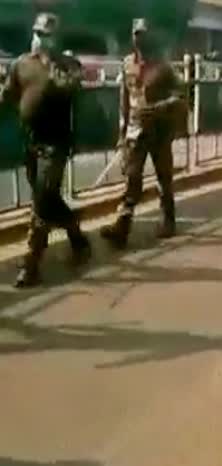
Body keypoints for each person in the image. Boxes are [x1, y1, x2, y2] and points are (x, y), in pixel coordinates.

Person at [0, 13, 91, 287]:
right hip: (31, 141)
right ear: (33, 33)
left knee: (43, 198)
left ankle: (32, 262)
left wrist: (52, 65)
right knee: (47, 198)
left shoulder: (67, 64)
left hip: (57, 142)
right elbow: (8, 96)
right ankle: (76, 233)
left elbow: (71, 89)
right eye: (39, 33)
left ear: (56, 38)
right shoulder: (20, 64)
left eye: (48, 35)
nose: (42, 39)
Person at [100, 18, 185, 249]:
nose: (140, 40)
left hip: (160, 130)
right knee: (132, 178)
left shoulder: (164, 66)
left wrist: (161, 107)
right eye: (136, 35)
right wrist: (121, 132)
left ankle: (168, 220)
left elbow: (180, 94)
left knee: (163, 178)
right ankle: (122, 226)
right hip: (136, 130)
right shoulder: (127, 64)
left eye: (144, 35)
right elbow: (124, 101)